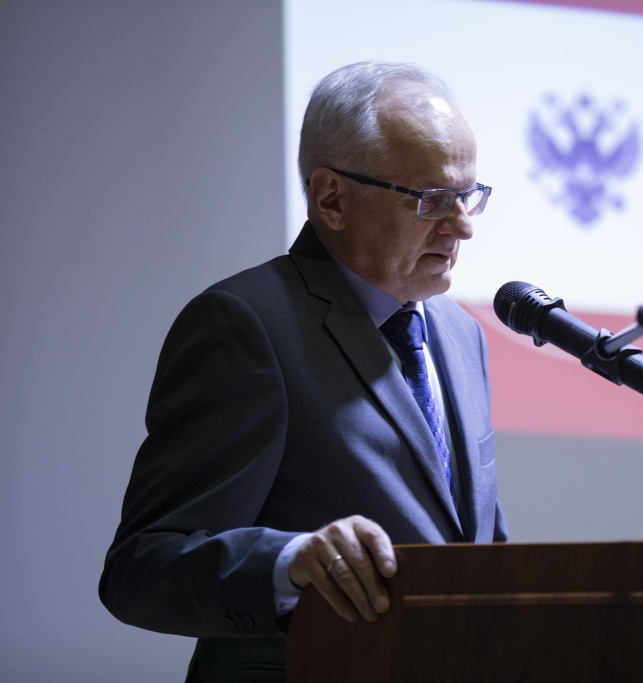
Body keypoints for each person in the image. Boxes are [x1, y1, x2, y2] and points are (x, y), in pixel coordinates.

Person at [99, 61, 507, 681]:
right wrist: (289, 563)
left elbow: (476, 544)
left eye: (468, 196)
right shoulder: (246, 326)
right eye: (431, 200)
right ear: (332, 198)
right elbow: (142, 568)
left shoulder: (461, 333)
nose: (463, 226)